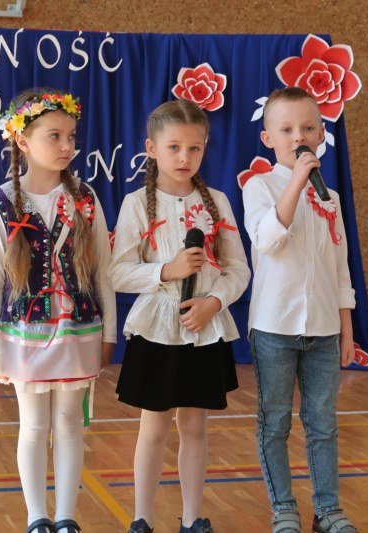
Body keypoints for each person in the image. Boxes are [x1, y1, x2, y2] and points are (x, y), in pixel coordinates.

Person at [110, 99, 250, 533]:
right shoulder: (137, 203)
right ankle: (142, 518)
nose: (184, 157)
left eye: (194, 148)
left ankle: (192, 518)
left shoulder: (217, 202)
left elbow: (238, 269)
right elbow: (118, 272)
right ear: (152, 148)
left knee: (194, 425)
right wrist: (166, 271)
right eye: (173, 147)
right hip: (157, 327)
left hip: (203, 326)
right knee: (153, 427)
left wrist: (214, 302)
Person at [0, 88, 116, 533]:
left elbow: (103, 271)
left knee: (71, 423)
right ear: (22, 141)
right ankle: (37, 516)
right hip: (27, 334)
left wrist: (109, 333)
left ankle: (66, 517)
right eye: (53, 136)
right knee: (35, 425)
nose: (66, 146)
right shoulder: (3, 202)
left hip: (79, 329)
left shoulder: (85, 199)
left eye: (71, 136)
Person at [242, 87, 358, 533]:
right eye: (287, 129)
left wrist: (346, 328)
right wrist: (295, 183)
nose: (298, 137)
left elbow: (340, 264)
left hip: (325, 328)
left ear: (321, 133)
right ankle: (283, 507)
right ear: (268, 138)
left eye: (308, 128)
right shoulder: (259, 187)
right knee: (274, 421)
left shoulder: (330, 197)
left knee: (322, 422)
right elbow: (268, 240)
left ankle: (328, 509)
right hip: (275, 327)